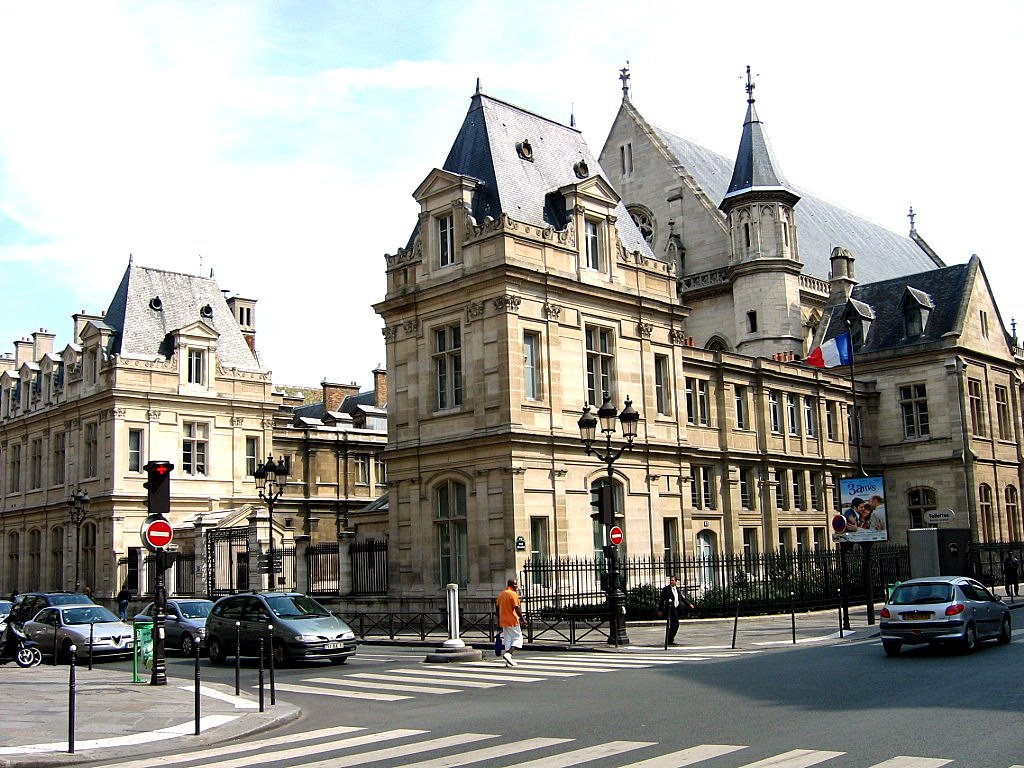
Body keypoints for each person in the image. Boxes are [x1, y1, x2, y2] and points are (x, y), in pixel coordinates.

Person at [657, 575, 694, 646]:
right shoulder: (666, 589)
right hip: (670, 609)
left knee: (674, 625)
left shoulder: (677, 589)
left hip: (677, 608)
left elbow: (681, 598)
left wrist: (688, 604)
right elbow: (661, 600)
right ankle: (670, 639)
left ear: (676, 581)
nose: (671, 581)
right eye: (670, 580)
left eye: (672, 580)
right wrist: (660, 610)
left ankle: (669, 639)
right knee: (675, 624)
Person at [495, 578, 524, 667]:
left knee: (508, 640)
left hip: (503, 621)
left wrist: (499, 618)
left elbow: (497, 608)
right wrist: (522, 618)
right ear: (512, 585)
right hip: (512, 620)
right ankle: (508, 655)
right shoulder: (512, 594)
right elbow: (516, 607)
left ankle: (508, 661)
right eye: (515, 585)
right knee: (518, 638)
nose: (517, 587)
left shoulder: (501, 594)